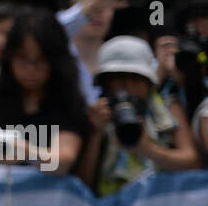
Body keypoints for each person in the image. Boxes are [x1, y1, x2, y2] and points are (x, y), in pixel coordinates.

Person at [0, 7, 88, 175]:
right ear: (9, 56)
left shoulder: (67, 100)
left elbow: (64, 159)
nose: (31, 69)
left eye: (40, 60)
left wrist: (25, 151)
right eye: (22, 59)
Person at [75, 36, 198, 196]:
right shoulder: (96, 115)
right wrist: (95, 134)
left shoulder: (168, 108)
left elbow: (194, 164)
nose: (127, 85)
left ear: (148, 82)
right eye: (118, 78)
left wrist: (148, 149)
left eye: (134, 77)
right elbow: (82, 184)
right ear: (105, 83)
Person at [56, 0, 134, 104]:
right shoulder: (52, 54)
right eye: (84, 2)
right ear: (65, 10)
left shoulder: (125, 57)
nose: (98, 10)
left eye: (106, 2)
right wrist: (91, 7)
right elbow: (47, 30)